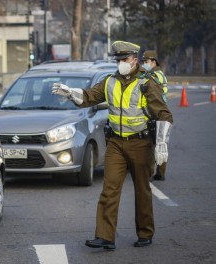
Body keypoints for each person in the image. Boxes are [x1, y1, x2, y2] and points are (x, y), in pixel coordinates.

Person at [52, 41, 173, 250]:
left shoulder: (146, 82)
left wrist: (162, 143)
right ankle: (105, 237)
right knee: (109, 190)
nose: (121, 64)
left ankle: (145, 233)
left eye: (124, 60)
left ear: (135, 59)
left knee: (142, 190)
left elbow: (163, 113)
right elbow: (90, 96)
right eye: (118, 60)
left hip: (140, 143)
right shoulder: (110, 81)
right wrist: (71, 93)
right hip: (116, 143)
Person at [142, 50, 169, 181]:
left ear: (153, 61)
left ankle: (151, 172)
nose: (144, 64)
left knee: (152, 144)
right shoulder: (160, 74)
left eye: (146, 62)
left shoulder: (153, 76)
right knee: (161, 143)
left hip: (155, 112)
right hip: (161, 111)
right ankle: (161, 172)